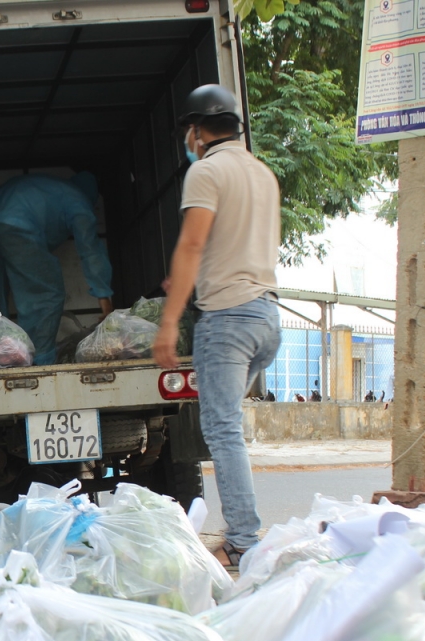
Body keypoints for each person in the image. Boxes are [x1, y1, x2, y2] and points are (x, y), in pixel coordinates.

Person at [154, 83, 281, 570]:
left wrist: (169, 322)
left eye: (190, 132)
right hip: (267, 315)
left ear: (198, 131)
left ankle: (244, 540)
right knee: (228, 425)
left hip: (227, 319)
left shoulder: (206, 172)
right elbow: (237, 244)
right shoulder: (261, 174)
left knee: (223, 430)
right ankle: (243, 534)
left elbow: (191, 245)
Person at [0, 173, 114, 365]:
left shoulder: (42, 183)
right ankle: (37, 362)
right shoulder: (78, 200)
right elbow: (90, 249)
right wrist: (104, 298)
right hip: (17, 227)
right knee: (45, 295)